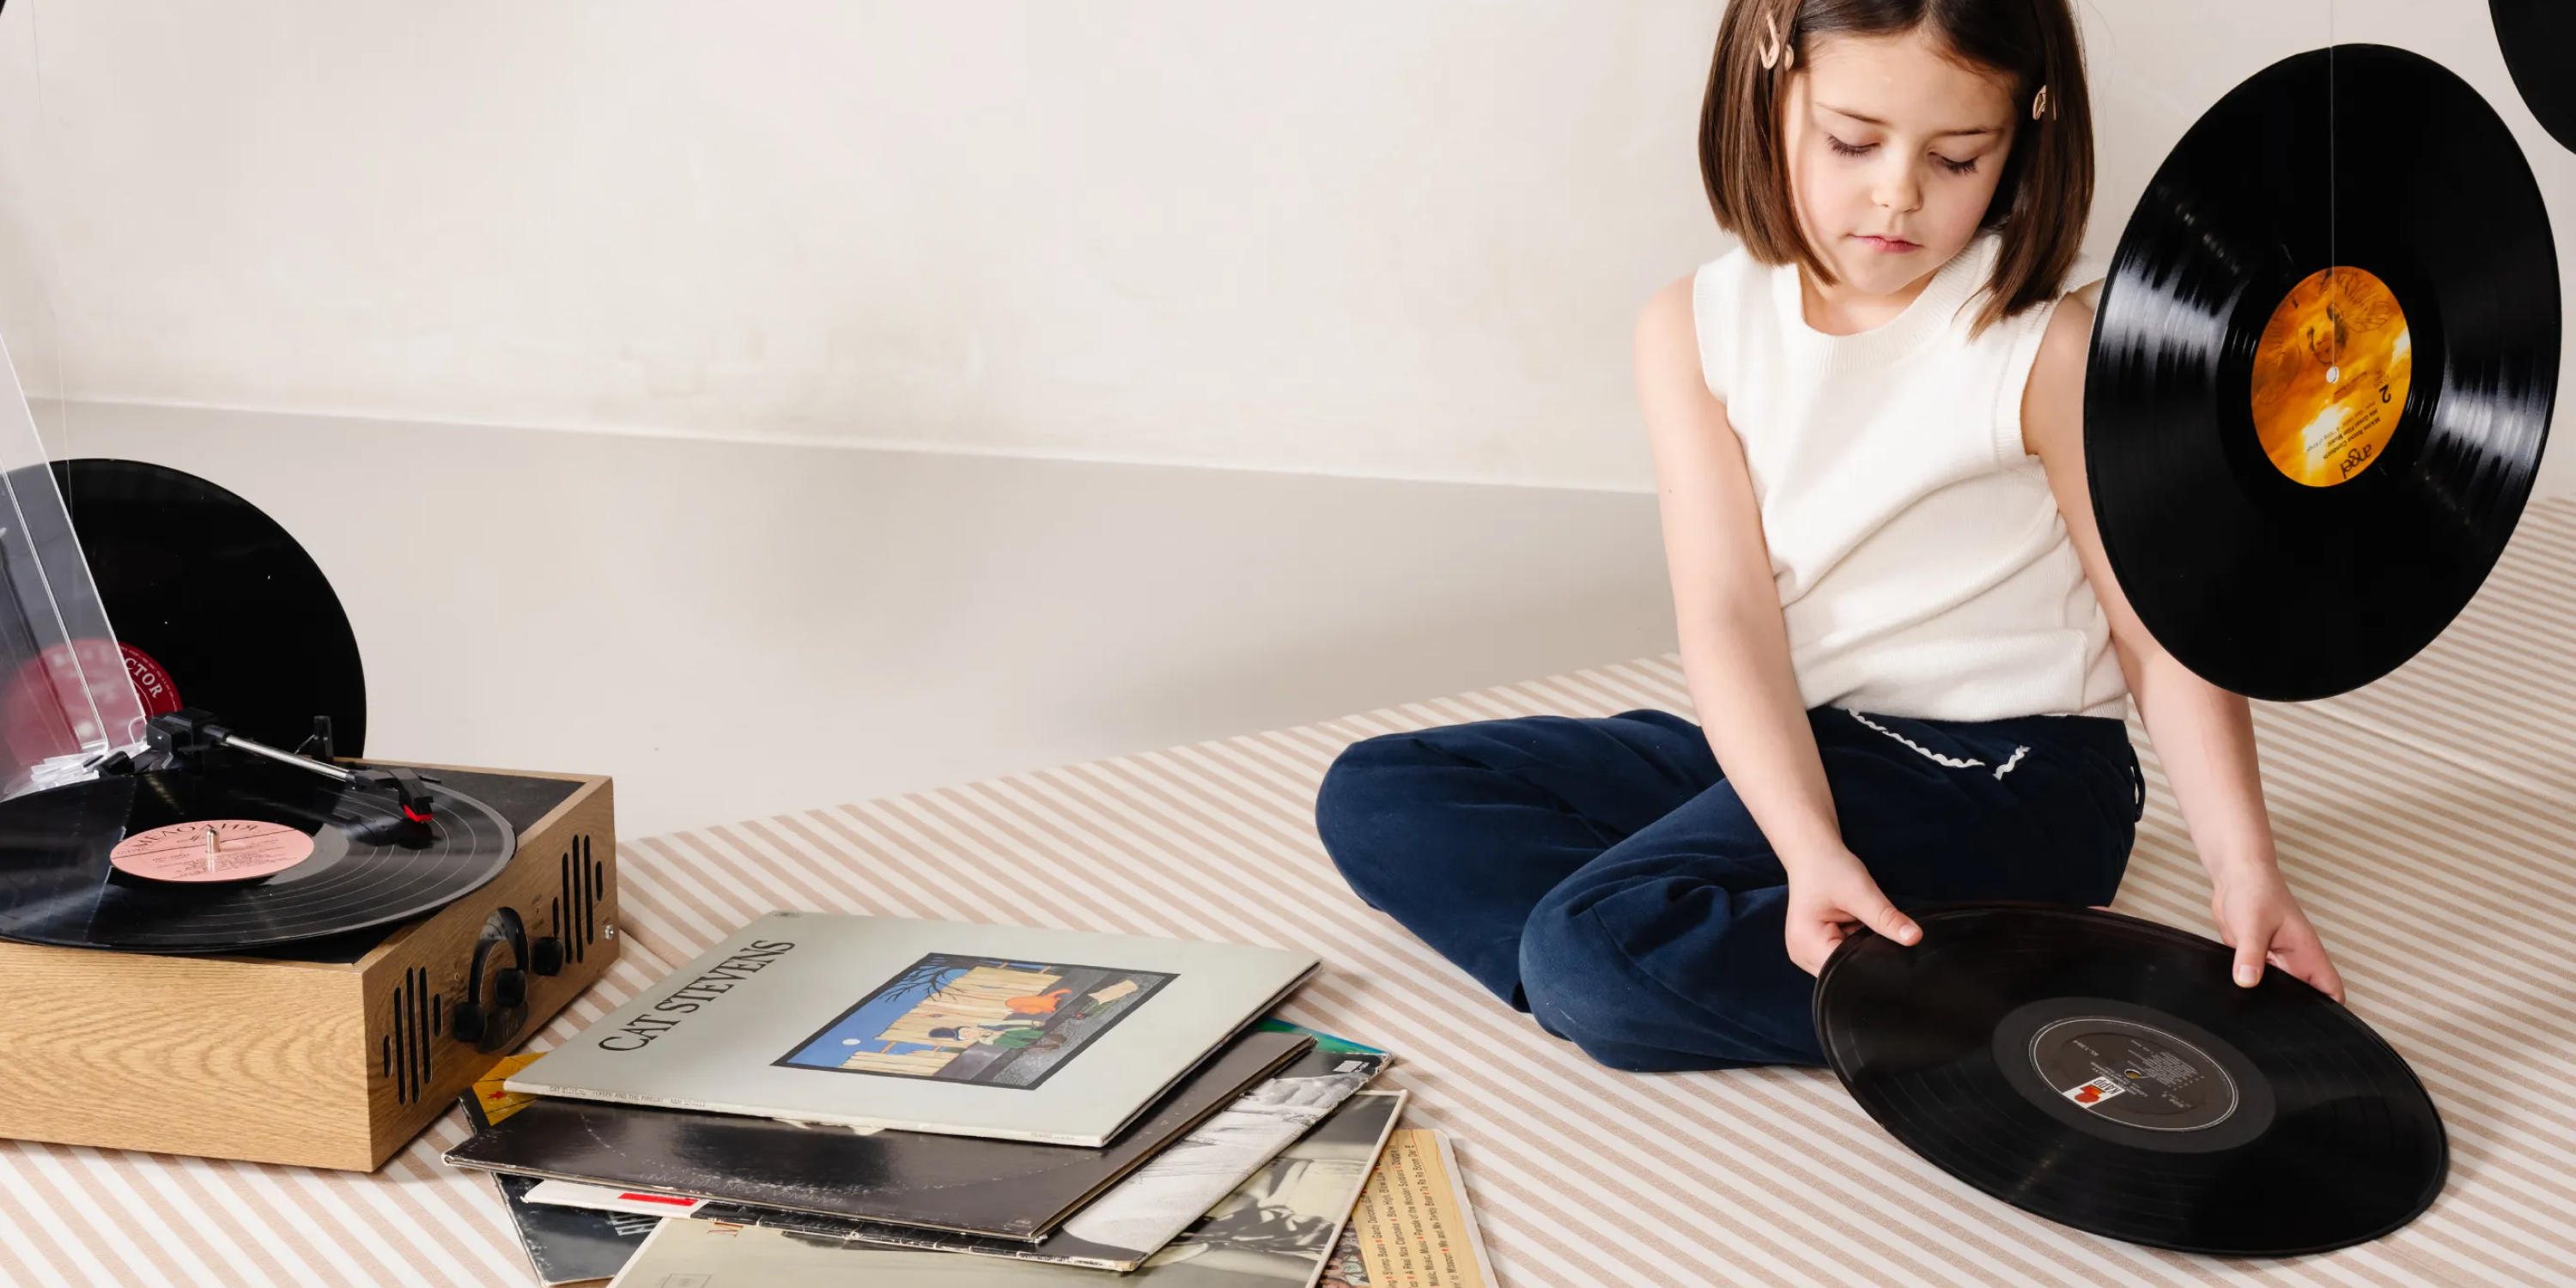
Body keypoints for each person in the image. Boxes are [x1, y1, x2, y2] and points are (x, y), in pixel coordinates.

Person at [1314, 0, 2345, 1073]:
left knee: (1591, 952)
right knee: (1381, 794)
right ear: (1769, 85)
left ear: (2025, 133)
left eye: (1957, 157)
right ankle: (1735, 940)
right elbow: (1728, 616)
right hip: (1809, 743)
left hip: (2008, 770)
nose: (1898, 193)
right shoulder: (1692, 328)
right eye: (1853, 142)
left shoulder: (2047, 345)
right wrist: (1804, 842)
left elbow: (2155, 630)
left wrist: (2244, 868)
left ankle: (1990, 985)